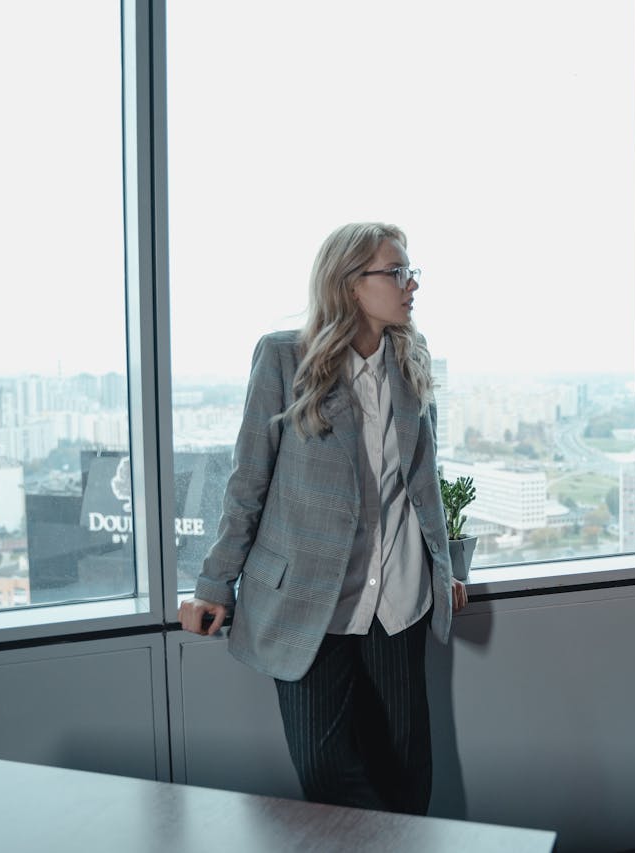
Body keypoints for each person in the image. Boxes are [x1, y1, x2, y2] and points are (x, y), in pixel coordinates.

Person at [179, 221, 467, 816]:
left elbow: (422, 486)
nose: (412, 284)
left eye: (411, 271)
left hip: (398, 602)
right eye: (397, 271)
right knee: (324, 769)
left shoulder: (411, 363)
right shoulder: (284, 357)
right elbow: (248, 481)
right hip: (309, 602)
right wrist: (215, 584)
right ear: (351, 283)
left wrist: (445, 572)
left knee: (406, 772)